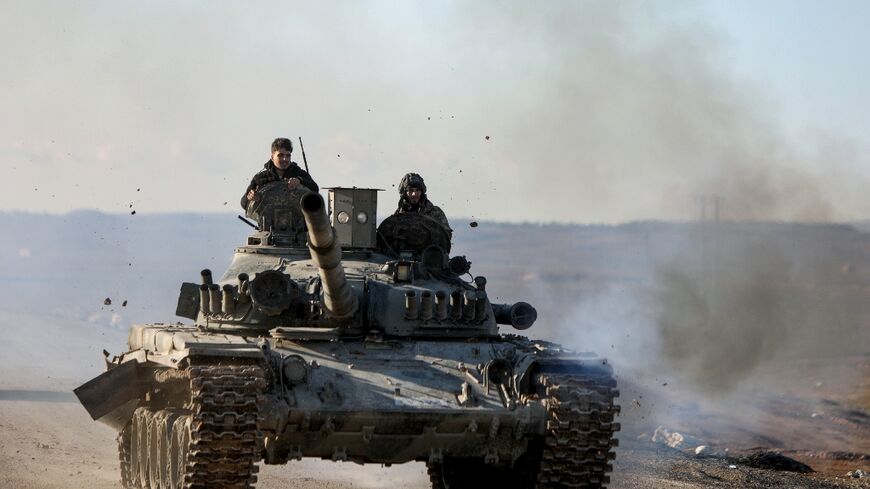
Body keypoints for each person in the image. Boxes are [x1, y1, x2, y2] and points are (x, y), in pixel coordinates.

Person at [240, 138, 319, 210]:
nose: (284, 159)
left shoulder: (299, 173)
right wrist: (251, 196)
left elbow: (315, 189)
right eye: (280, 155)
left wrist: (300, 181)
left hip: (297, 224)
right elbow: (244, 203)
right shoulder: (261, 178)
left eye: (288, 155)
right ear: (272, 157)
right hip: (268, 224)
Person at [394, 173, 452, 238]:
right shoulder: (398, 215)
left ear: (421, 192)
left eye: (417, 190)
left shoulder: (435, 213)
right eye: (410, 190)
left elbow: (446, 236)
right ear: (405, 193)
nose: (414, 194)